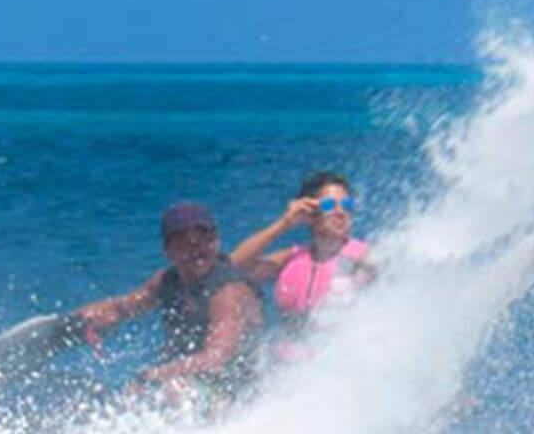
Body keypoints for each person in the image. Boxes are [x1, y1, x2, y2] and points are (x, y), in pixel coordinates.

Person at [71, 201, 264, 407]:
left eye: (203, 239)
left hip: (237, 393)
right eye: (183, 242)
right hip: (187, 380)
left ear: (216, 241)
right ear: (168, 251)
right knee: (110, 399)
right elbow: (122, 308)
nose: (195, 247)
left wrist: (156, 375)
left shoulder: (228, 292)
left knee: (173, 393)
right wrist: (75, 320)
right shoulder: (168, 281)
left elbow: (217, 356)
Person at [231, 171, 374, 358]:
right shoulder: (291, 258)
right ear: (310, 212)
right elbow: (233, 267)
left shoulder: (365, 257)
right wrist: (285, 222)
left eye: (346, 205)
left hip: (342, 365)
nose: (341, 212)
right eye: (329, 205)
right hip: (289, 370)